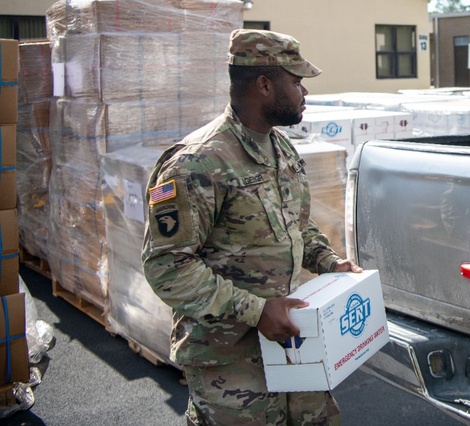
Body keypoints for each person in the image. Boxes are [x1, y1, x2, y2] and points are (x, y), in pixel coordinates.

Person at [141, 29, 362, 426]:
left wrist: (329, 262)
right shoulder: (196, 164)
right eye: (296, 82)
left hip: (292, 347)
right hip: (231, 363)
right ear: (264, 85)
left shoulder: (281, 147)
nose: (304, 93)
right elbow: (167, 267)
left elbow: (296, 224)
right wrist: (257, 311)